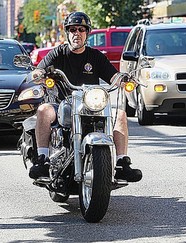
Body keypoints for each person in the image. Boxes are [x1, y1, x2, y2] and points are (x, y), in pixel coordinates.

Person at [29, 12, 142, 183]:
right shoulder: (58, 54)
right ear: (67, 32)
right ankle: (43, 159)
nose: (77, 33)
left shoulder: (95, 56)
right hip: (61, 103)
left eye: (82, 29)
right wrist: (38, 74)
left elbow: (113, 77)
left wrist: (124, 79)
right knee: (44, 110)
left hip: (90, 104)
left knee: (120, 115)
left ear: (87, 33)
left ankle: (121, 163)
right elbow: (39, 70)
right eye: (73, 29)